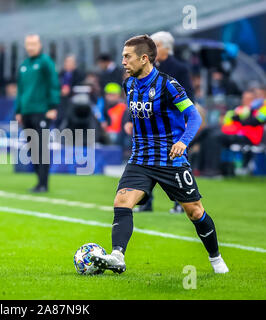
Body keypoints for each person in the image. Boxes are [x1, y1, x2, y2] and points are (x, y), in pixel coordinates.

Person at [90, 35, 229, 274]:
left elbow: (194, 116)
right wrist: (131, 123)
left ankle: (216, 260)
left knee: (194, 211)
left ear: (144, 59)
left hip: (170, 159)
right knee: (121, 202)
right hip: (141, 158)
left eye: (127, 57)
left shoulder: (168, 85)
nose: (123, 61)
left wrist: (184, 142)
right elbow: (139, 112)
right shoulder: (129, 84)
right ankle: (117, 256)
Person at [134, 31, 196, 213]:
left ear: (164, 47)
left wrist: (186, 121)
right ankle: (146, 202)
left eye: (154, 45)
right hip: (148, 125)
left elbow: (188, 96)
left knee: (177, 161)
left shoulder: (179, 68)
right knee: (146, 161)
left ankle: (181, 201)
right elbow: (136, 95)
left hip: (172, 126)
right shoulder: (147, 67)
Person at [15, 34, 60, 193]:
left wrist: (53, 107)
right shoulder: (24, 65)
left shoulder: (45, 62)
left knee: (41, 147)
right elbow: (20, 90)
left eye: (33, 44)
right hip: (26, 112)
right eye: (28, 44)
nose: (30, 47)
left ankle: (43, 183)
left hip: (42, 111)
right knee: (31, 148)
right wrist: (18, 110)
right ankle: (38, 181)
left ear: (39, 45)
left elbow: (53, 84)